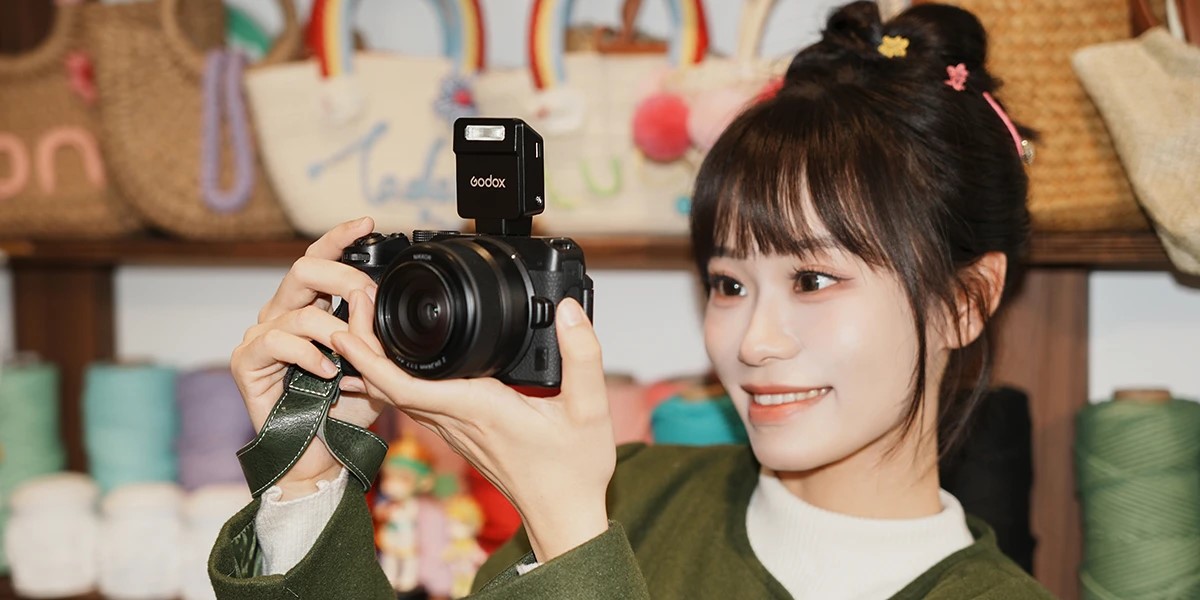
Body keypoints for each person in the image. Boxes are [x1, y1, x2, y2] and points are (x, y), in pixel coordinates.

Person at [209, 2, 1055, 598]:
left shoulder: (586, 509)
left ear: (966, 300)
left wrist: (572, 535)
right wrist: (307, 481)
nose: (753, 341)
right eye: (729, 284)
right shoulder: (633, 493)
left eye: (812, 279)